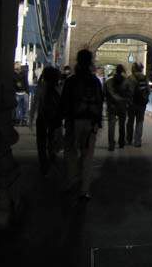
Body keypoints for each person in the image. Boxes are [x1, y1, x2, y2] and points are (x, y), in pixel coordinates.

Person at [60, 49, 103, 200]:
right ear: (91, 62)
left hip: (73, 121)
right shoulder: (95, 81)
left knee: (71, 152)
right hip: (90, 123)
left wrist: (62, 120)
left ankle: (72, 181)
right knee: (87, 156)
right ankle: (84, 189)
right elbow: (99, 101)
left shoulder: (71, 81)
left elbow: (64, 102)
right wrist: (98, 122)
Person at [29, 66, 63, 175]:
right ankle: (52, 156)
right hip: (55, 119)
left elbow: (35, 103)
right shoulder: (59, 88)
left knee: (41, 142)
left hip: (42, 118)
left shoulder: (41, 87)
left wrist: (31, 118)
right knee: (52, 139)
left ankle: (43, 163)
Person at [104, 64, 131, 150]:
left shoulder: (108, 82)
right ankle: (121, 143)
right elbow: (130, 93)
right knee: (122, 125)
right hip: (122, 106)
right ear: (122, 71)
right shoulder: (126, 81)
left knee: (111, 125)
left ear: (115, 71)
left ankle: (111, 144)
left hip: (112, 106)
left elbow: (104, 94)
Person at [125, 63, 149, 147]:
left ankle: (129, 139)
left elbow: (126, 90)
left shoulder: (130, 78)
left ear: (134, 69)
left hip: (132, 103)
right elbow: (148, 90)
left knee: (130, 122)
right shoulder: (145, 77)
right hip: (142, 104)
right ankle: (137, 141)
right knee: (140, 122)